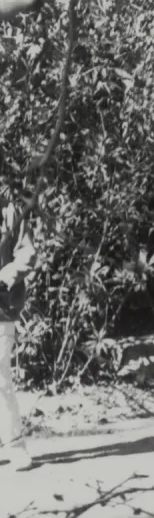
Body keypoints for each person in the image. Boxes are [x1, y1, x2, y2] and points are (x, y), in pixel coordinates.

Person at [0, 202, 35, 473]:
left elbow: (26, 255)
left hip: (1, 306)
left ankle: (14, 445)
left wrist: (3, 278)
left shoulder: (11, 210)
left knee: (1, 377)